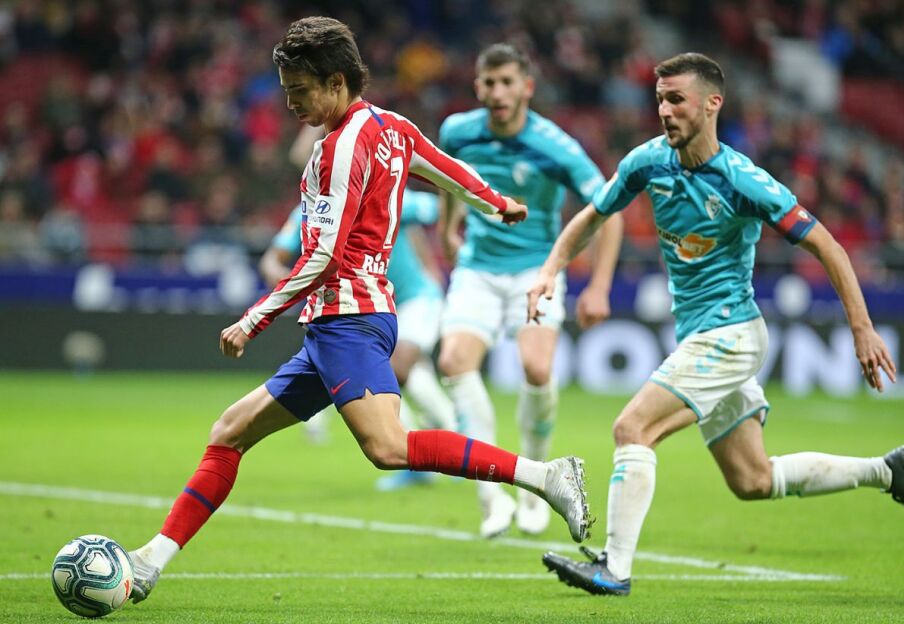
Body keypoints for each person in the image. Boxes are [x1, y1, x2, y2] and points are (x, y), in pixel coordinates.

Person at [126, 17, 592, 604]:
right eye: (287, 90)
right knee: (230, 432)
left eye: (300, 90)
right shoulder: (392, 127)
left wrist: (253, 318)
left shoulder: (339, 147)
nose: (291, 102)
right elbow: (445, 170)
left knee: (389, 447)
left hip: (349, 319)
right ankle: (151, 560)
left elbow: (324, 254)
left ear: (336, 81)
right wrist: (497, 203)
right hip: (342, 322)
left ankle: (545, 476)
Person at [529, 52, 904, 597]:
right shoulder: (647, 163)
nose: (664, 110)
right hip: (702, 335)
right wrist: (550, 270)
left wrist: (861, 328)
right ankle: (890, 471)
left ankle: (614, 567)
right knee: (753, 479)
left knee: (632, 428)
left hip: (731, 335)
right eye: (659, 100)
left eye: (676, 99)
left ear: (712, 104)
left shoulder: (743, 181)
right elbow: (594, 215)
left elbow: (827, 245)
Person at [436, 44, 623, 538]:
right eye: (489, 83)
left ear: (527, 88)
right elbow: (450, 179)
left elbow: (609, 210)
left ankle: (535, 487)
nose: (498, 92)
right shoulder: (458, 131)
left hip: (535, 271)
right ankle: (491, 497)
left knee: (537, 369)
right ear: (477, 86)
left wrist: (599, 285)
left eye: (507, 82)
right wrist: (449, 229)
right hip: (478, 267)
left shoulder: (555, 147)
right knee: (453, 361)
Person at [261, 185, 459, 489]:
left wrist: (445, 243)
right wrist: (286, 282)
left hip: (416, 299)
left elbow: (444, 205)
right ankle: (443, 435)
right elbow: (271, 260)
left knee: (395, 369)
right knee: (400, 374)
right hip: (369, 307)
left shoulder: (386, 200)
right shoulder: (308, 212)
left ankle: (432, 443)